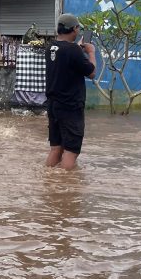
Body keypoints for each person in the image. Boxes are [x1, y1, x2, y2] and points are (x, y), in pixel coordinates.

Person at [45, 13, 97, 171]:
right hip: (70, 107)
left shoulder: (51, 47)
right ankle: (65, 188)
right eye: (78, 29)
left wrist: (78, 49)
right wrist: (91, 52)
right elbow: (91, 72)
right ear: (74, 29)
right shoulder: (73, 51)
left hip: (53, 106)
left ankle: (48, 180)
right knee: (71, 151)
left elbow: (67, 60)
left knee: (56, 149)